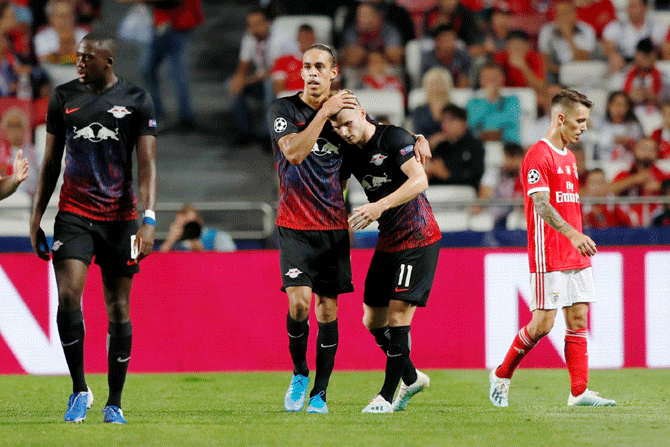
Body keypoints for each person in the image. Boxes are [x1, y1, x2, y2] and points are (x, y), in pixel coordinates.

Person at [267, 44, 429, 414]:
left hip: (333, 229)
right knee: (298, 304)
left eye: (318, 66)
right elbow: (294, 153)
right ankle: (299, 372)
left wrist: (417, 140)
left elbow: (380, 137)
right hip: (294, 224)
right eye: (306, 66)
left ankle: (320, 395)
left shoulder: (345, 115)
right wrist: (322, 112)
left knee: (327, 310)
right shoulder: (284, 110)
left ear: (333, 73)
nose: (311, 72)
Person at [29, 32, 158, 424]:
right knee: (68, 297)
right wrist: (36, 219)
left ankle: (114, 401)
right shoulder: (63, 97)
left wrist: (149, 219)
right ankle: (78, 389)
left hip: (121, 219)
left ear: (108, 60)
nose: (79, 63)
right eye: (77, 57)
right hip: (74, 213)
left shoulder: (137, 100)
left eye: (86, 58)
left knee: (118, 307)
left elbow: (148, 165)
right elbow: (51, 161)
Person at [488, 89, 616, 407]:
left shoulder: (570, 158)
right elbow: (541, 205)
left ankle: (579, 392)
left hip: (575, 252)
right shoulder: (538, 155)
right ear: (560, 119)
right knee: (543, 324)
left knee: (578, 319)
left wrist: (576, 238)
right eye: (579, 120)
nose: (584, 127)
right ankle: (501, 375)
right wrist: (573, 235)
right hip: (551, 253)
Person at [328, 96, 441, 413]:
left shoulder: (393, 138)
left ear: (362, 114)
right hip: (389, 239)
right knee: (372, 320)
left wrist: (378, 205)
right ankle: (412, 376)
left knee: (397, 317)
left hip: (417, 236)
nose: (345, 132)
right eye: (338, 128)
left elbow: (420, 180)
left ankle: (386, 398)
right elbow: (337, 193)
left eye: (348, 124)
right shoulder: (348, 152)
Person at [138, 0, 203, 132]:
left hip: (176, 24)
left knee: (175, 73)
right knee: (148, 69)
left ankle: (184, 117)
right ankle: (170, 115)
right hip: (167, 23)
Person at [230, 7, 273, 144]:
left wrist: (249, 79)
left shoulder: (280, 38)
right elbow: (243, 66)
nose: (253, 28)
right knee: (231, 85)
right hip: (259, 79)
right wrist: (238, 80)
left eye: (257, 24)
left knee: (269, 86)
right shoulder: (249, 37)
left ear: (267, 23)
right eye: (250, 25)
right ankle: (245, 132)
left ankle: (267, 134)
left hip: (279, 79)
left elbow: (276, 70)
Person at [609, 138, 670, 226]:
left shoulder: (664, 176)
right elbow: (609, 191)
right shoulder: (625, 174)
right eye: (643, 148)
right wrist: (634, 180)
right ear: (635, 150)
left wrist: (661, 186)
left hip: (658, 226)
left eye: (651, 150)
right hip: (625, 227)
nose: (647, 153)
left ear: (657, 153)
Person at [425, 104, 485, 189]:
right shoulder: (441, 145)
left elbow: (475, 176)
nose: (445, 125)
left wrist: (447, 175)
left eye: (450, 120)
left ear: (463, 122)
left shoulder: (475, 145)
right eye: (443, 121)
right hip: (438, 190)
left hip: (464, 190)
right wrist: (429, 146)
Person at [538, 0, 597, 85]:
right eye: (560, 13)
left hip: (579, 72)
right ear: (555, 16)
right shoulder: (547, 30)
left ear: (575, 14)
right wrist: (563, 71)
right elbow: (544, 61)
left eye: (567, 13)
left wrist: (568, 36)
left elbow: (583, 60)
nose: (564, 17)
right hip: (555, 72)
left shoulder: (586, 30)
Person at [466, 60, 520, 143]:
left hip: (507, 147)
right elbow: (471, 124)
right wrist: (488, 101)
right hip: (478, 147)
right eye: (486, 78)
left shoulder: (512, 100)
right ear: (480, 80)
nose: (490, 82)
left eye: (494, 78)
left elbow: (511, 122)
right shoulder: (472, 102)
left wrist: (487, 124)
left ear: (502, 79)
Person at [159, 204, 236, 252]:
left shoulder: (218, 237)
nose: (186, 228)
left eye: (189, 224)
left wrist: (198, 248)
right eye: (182, 225)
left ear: (199, 222)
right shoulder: (176, 242)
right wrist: (170, 240)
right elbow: (160, 261)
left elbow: (229, 261)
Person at [593, 90, 643, 162]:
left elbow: (638, 147)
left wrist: (628, 141)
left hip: (627, 165)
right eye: (616, 104)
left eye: (623, 105)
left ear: (628, 108)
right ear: (609, 105)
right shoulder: (600, 124)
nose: (619, 109)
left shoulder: (634, 127)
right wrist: (612, 139)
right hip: (604, 164)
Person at [494, 29, 546, 94]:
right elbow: (493, 85)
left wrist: (523, 67)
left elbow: (541, 89)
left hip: (528, 95)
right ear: (507, 47)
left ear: (528, 46)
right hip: (506, 95)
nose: (516, 50)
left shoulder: (535, 57)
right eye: (513, 46)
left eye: (520, 47)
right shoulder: (500, 57)